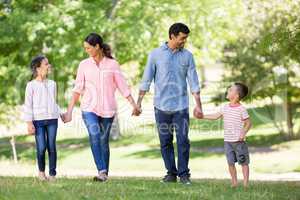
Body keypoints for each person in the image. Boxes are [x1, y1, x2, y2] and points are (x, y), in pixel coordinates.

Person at [63, 33, 141, 182]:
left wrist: (134, 105)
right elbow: (77, 89)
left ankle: (104, 174)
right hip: (89, 108)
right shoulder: (84, 65)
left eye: (88, 48)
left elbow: (123, 87)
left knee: (104, 140)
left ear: (97, 46)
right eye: (85, 48)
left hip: (108, 109)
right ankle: (101, 170)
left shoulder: (112, 64)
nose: (86, 51)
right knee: (95, 135)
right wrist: (69, 112)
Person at [137, 23, 203, 184]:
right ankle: (171, 174)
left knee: (183, 141)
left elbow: (193, 81)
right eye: (182, 38)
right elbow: (146, 79)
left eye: (185, 38)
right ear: (172, 36)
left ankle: (184, 174)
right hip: (161, 106)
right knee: (165, 141)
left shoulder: (187, 56)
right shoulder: (155, 54)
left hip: (181, 106)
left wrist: (198, 105)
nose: (184, 41)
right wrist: (138, 103)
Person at [197, 82, 252, 188]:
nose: (228, 90)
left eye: (231, 90)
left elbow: (248, 123)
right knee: (230, 163)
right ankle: (234, 182)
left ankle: (246, 184)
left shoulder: (242, 109)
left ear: (236, 96)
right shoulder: (225, 107)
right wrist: (202, 116)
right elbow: (215, 116)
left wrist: (243, 132)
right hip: (228, 142)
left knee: (243, 162)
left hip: (239, 142)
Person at [23, 55, 63, 181]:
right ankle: (41, 173)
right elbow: (28, 105)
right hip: (38, 121)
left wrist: (61, 114)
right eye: (46, 64)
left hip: (52, 120)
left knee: (51, 146)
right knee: (41, 148)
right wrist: (29, 123)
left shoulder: (53, 84)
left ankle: (52, 174)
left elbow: (54, 103)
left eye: (48, 63)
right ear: (38, 68)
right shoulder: (31, 86)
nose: (49, 66)